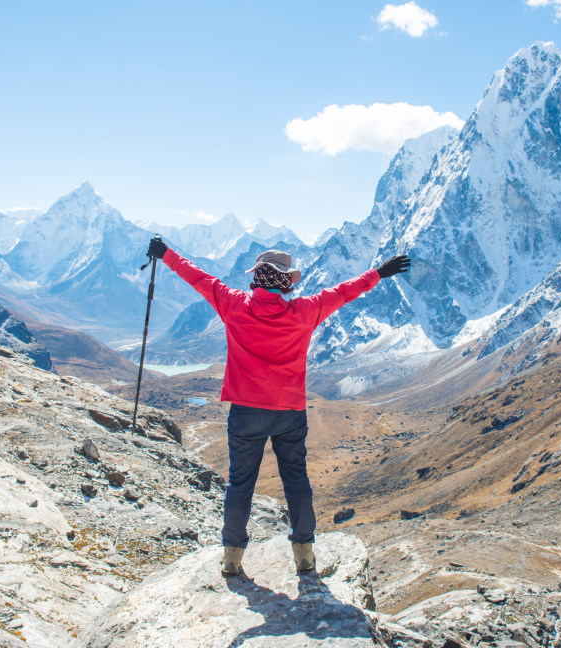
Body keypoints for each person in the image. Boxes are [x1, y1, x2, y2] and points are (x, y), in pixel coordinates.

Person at [145, 237, 410, 575]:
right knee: (296, 480)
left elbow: (198, 277)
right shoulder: (305, 311)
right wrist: (378, 273)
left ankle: (232, 559)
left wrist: (165, 253)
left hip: (246, 412)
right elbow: (345, 292)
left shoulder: (233, 304)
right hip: (289, 413)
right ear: (286, 283)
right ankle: (303, 555)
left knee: (240, 484)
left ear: (256, 278)